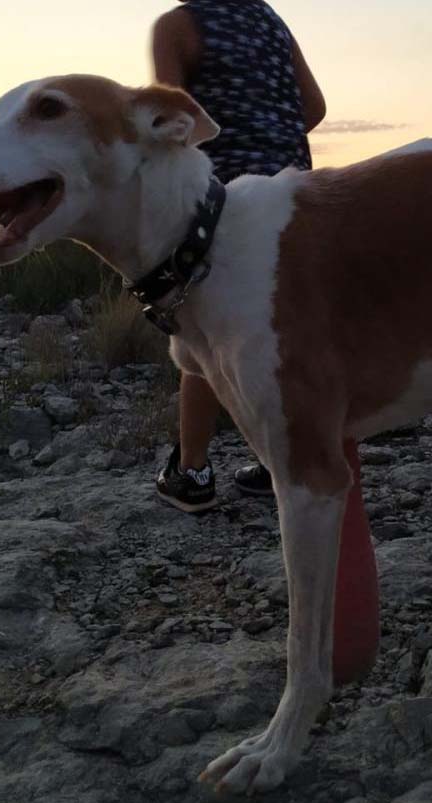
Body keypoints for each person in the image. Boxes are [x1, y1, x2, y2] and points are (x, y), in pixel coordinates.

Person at [151, 0, 326, 512]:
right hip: (293, 191)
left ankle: (193, 471)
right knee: (286, 327)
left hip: (221, 195)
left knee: (205, 327)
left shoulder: (177, 26)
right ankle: (282, 461)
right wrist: (270, 130)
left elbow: (171, 118)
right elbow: (312, 107)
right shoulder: (271, 21)